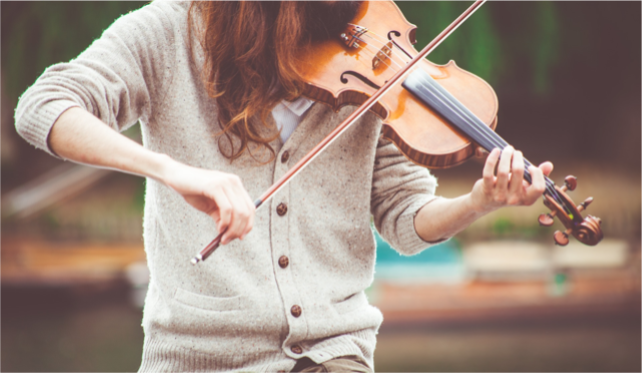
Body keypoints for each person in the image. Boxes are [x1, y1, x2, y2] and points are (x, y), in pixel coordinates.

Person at [14, 0, 553, 372]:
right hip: (197, 355)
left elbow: (406, 218)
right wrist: (171, 170)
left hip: (332, 351)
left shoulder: (370, 69)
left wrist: (479, 201)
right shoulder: (167, 32)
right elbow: (44, 107)